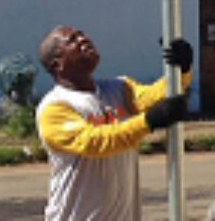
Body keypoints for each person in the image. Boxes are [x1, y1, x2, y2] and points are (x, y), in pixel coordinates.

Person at [36, 25, 193, 221]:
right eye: (72, 40)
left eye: (83, 34)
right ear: (57, 64)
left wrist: (182, 70)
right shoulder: (55, 107)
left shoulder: (119, 88)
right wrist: (149, 121)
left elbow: (156, 97)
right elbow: (95, 142)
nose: (83, 39)